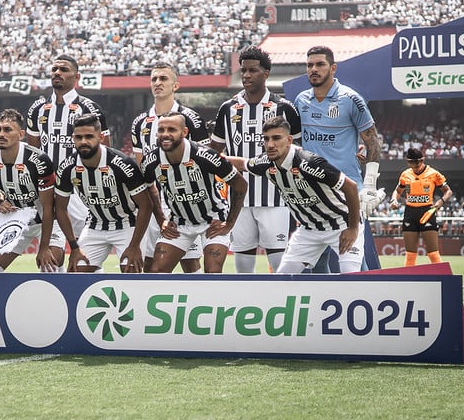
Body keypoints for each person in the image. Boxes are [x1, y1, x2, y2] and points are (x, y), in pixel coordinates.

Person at [231, 116, 364, 274]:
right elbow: (241, 163)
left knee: (351, 278)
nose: (270, 144)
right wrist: (205, 156)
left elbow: (351, 186)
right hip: (308, 230)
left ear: (288, 140)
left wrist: (353, 228)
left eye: (276, 138)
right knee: (283, 281)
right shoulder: (265, 163)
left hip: (341, 225)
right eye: (266, 139)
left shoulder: (308, 162)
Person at [210, 46, 301, 273]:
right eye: (243, 71)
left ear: (266, 73)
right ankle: (247, 304)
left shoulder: (284, 108)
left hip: (276, 197)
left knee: (280, 264)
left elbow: (298, 152)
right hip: (238, 199)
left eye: (253, 70)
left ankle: (282, 305)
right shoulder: (228, 108)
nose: (247, 75)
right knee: (243, 264)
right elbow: (215, 151)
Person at [294, 45, 383, 272]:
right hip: (312, 191)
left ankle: (365, 303)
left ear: (333, 68)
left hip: (346, 190)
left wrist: (370, 184)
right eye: (309, 65)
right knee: (315, 261)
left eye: (320, 64)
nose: (314, 69)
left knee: (352, 257)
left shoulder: (351, 99)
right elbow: (294, 145)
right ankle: (321, 305)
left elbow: (372, 140)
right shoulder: (300, 100)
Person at [141, 112, 247, 273]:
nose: (165, 134)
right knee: (157, 271)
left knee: (212, 271)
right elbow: (149, 187)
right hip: (180, 223)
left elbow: (240, 184)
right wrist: (161, 218)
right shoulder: (150, 161)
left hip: (213, 221)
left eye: (172, 129)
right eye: (161, 130)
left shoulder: (205, 155)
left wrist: (229, 223)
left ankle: (212, 299)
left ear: (184, 132)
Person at [130, 62, 210, 273]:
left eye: (163, 78)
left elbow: (206, 164)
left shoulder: (191, 119)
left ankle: (195, 304)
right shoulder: (140, 123)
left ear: (176, 86)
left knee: (190, 263)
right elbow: (141, 168)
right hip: (154, 201)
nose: (158, 83)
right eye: (154, 79)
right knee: (149, 263)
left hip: (185, 202)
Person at [53, 114, 154, 273]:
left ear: (100, 137)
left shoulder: (122, 164)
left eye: (89, 136)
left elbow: (146, 206)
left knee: (130, 268)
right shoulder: (67, 168)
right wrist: (74, 247)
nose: (83, 141)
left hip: (128, 223)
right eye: (78, 137)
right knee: (76, 271)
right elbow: (60, 208)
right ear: (73, 138)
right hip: (95, 224)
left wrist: (134, 246)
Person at [26, 55, 111, 240]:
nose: (57, 73)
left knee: (86, 246)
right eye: (54, 69)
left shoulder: (89, 108)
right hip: (48, 188)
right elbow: (33, 152)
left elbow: (105, 149)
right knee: (50, 249)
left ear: (76, 77)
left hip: (79, 188)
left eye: (64, 70)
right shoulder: (37, 108)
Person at [0, 109, 66, 273]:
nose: (1, 134)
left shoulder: (39, 160)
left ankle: (60, 265)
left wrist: (44, 247)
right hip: (16, 220)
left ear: (21, 134)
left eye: (7, 130)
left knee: (49, 268)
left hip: (46, 221)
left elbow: (48, 207)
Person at [389, 147, 452, 266]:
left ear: (423, 160)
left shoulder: (433, 173)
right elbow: (397, 191)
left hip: (427, 211)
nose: (417, 165)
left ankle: (443, 280)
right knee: (410, 254)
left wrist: (440, 202)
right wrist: (394, 200)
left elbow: (448, 191)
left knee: (433, 253)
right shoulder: (405, 174)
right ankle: (409, 282)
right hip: (410, 213)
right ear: (408, 162)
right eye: (413, 162)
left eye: (419, 162)